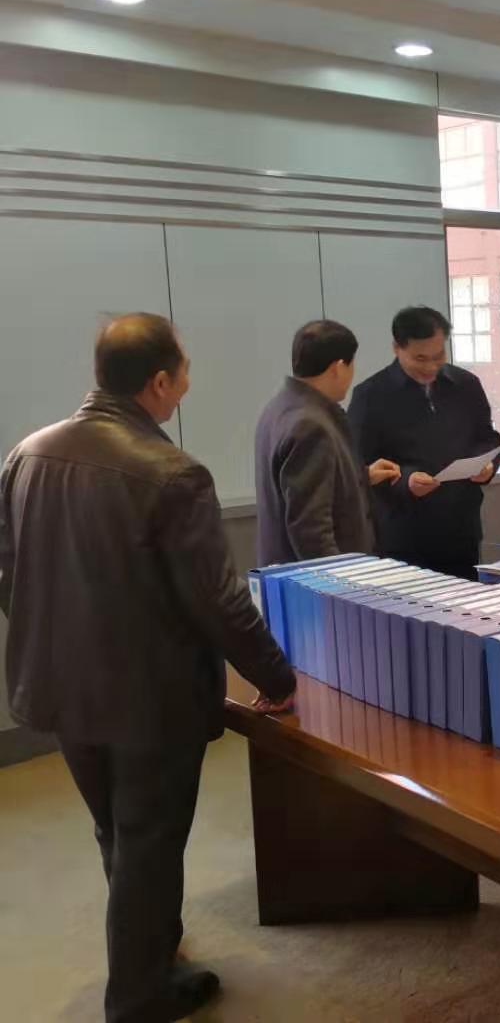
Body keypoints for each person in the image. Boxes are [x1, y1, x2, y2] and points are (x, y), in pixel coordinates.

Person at [0, 313, 296, 1023]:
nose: (187, 386)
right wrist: (277, 679)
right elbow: (219, 601)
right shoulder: (172, 474)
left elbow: (10, 571)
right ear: (160, 382)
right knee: (149, 843)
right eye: (184, 373)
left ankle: (153, 952)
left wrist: (54, 637)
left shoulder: (28, 453)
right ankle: (139, 998)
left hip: (61, 688)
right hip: (148, 701)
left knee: (119, 832)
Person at [348, 306, 500, 579]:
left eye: (439, 356)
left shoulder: (465, 385)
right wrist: (406, 482)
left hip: (460, 530)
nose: (431, 367)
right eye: (420, 358)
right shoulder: (371, 396)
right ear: (397, 348)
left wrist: (487, 465)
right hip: (403, 537)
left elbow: (487, 437)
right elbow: (359, 466)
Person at [254, 319, 400, 566]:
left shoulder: (279, 407)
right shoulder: (311, 425)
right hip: (317, 580)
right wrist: (338, 582)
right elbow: (311, 529)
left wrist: (361, 477)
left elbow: (305, 488)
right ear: (338, 368)